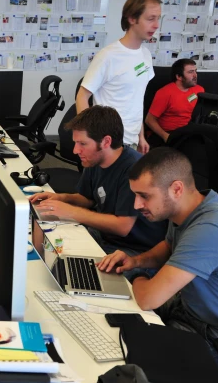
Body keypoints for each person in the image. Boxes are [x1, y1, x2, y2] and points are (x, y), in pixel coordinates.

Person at [97, 148, 218, 374]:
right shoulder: (189, 206)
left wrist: (137, 274)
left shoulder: (210, 228)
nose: (136, 205)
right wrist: (135, 262)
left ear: (176, 188)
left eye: (144, 196)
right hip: (190, 312)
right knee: (107, 308)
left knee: (120, 355)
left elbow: (148, 299)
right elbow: (168, 247)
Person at [29, 106, 166, 279]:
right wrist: (62, 198)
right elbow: (88, 199)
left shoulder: (134, 169)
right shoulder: (95, 160)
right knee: (54, 247)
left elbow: (122, 226)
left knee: (77, 275)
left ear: (106, 142)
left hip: (135, 251)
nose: (75, 150)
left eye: (82, 144)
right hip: (106, 237)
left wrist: (71, 212)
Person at [77, 0, 162, 154]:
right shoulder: (108, 56)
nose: (156, 24)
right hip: (109, 143)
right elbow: (82, 96)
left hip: (132, 140)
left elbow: (137, 99)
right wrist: (90, 139)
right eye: (150, 18)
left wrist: (141, 136)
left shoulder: (145, 55)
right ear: (132, 18)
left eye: (158, 18)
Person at [145, 58, 204, 147]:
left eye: (196, 71)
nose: (195, 75)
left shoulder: (199, 90)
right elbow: (149, 120)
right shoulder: (165, 93)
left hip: (189, 131)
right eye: (190, 72)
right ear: (179, 77)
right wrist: (166, 136)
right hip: (168, 133)